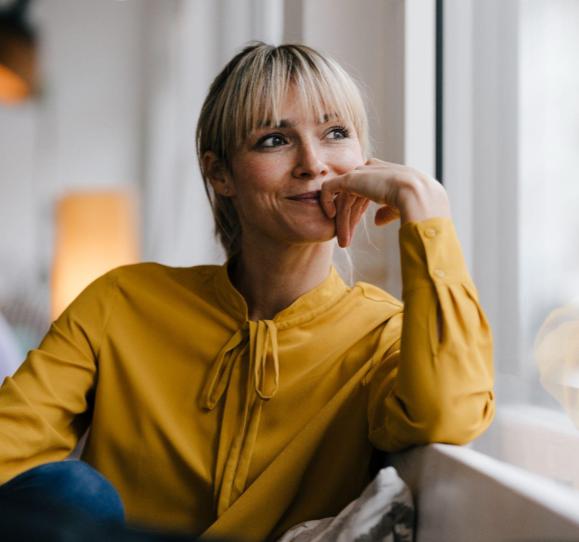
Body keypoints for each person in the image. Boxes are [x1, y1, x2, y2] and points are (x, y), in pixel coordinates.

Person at [0, 42, 495, 541]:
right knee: (72, 490)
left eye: (336, 133)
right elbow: (8, 450)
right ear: (220, 174)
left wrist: (426, 216)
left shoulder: (384, 336)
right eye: (275, 139)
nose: (312, 163)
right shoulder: (120, 302)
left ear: (364, 162)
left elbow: (449, 415)